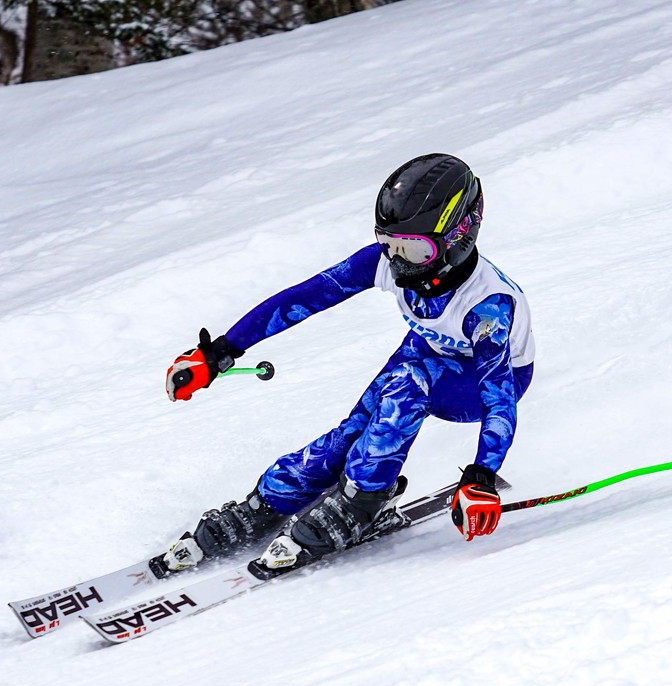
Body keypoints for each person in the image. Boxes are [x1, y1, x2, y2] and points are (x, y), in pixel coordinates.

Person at [160, 153, 535, 571]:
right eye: (389, 244)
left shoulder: (487, 307)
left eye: (413, 248)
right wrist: (220, 352)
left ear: (458, 236)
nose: (396, 261)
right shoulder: (391, 263)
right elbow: (304, 297)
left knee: (407, 387)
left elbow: (499, 397)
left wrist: (482, 477)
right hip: (430, 349)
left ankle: (362, 500)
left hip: (483, 384)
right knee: (356, 427)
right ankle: (272, 497)